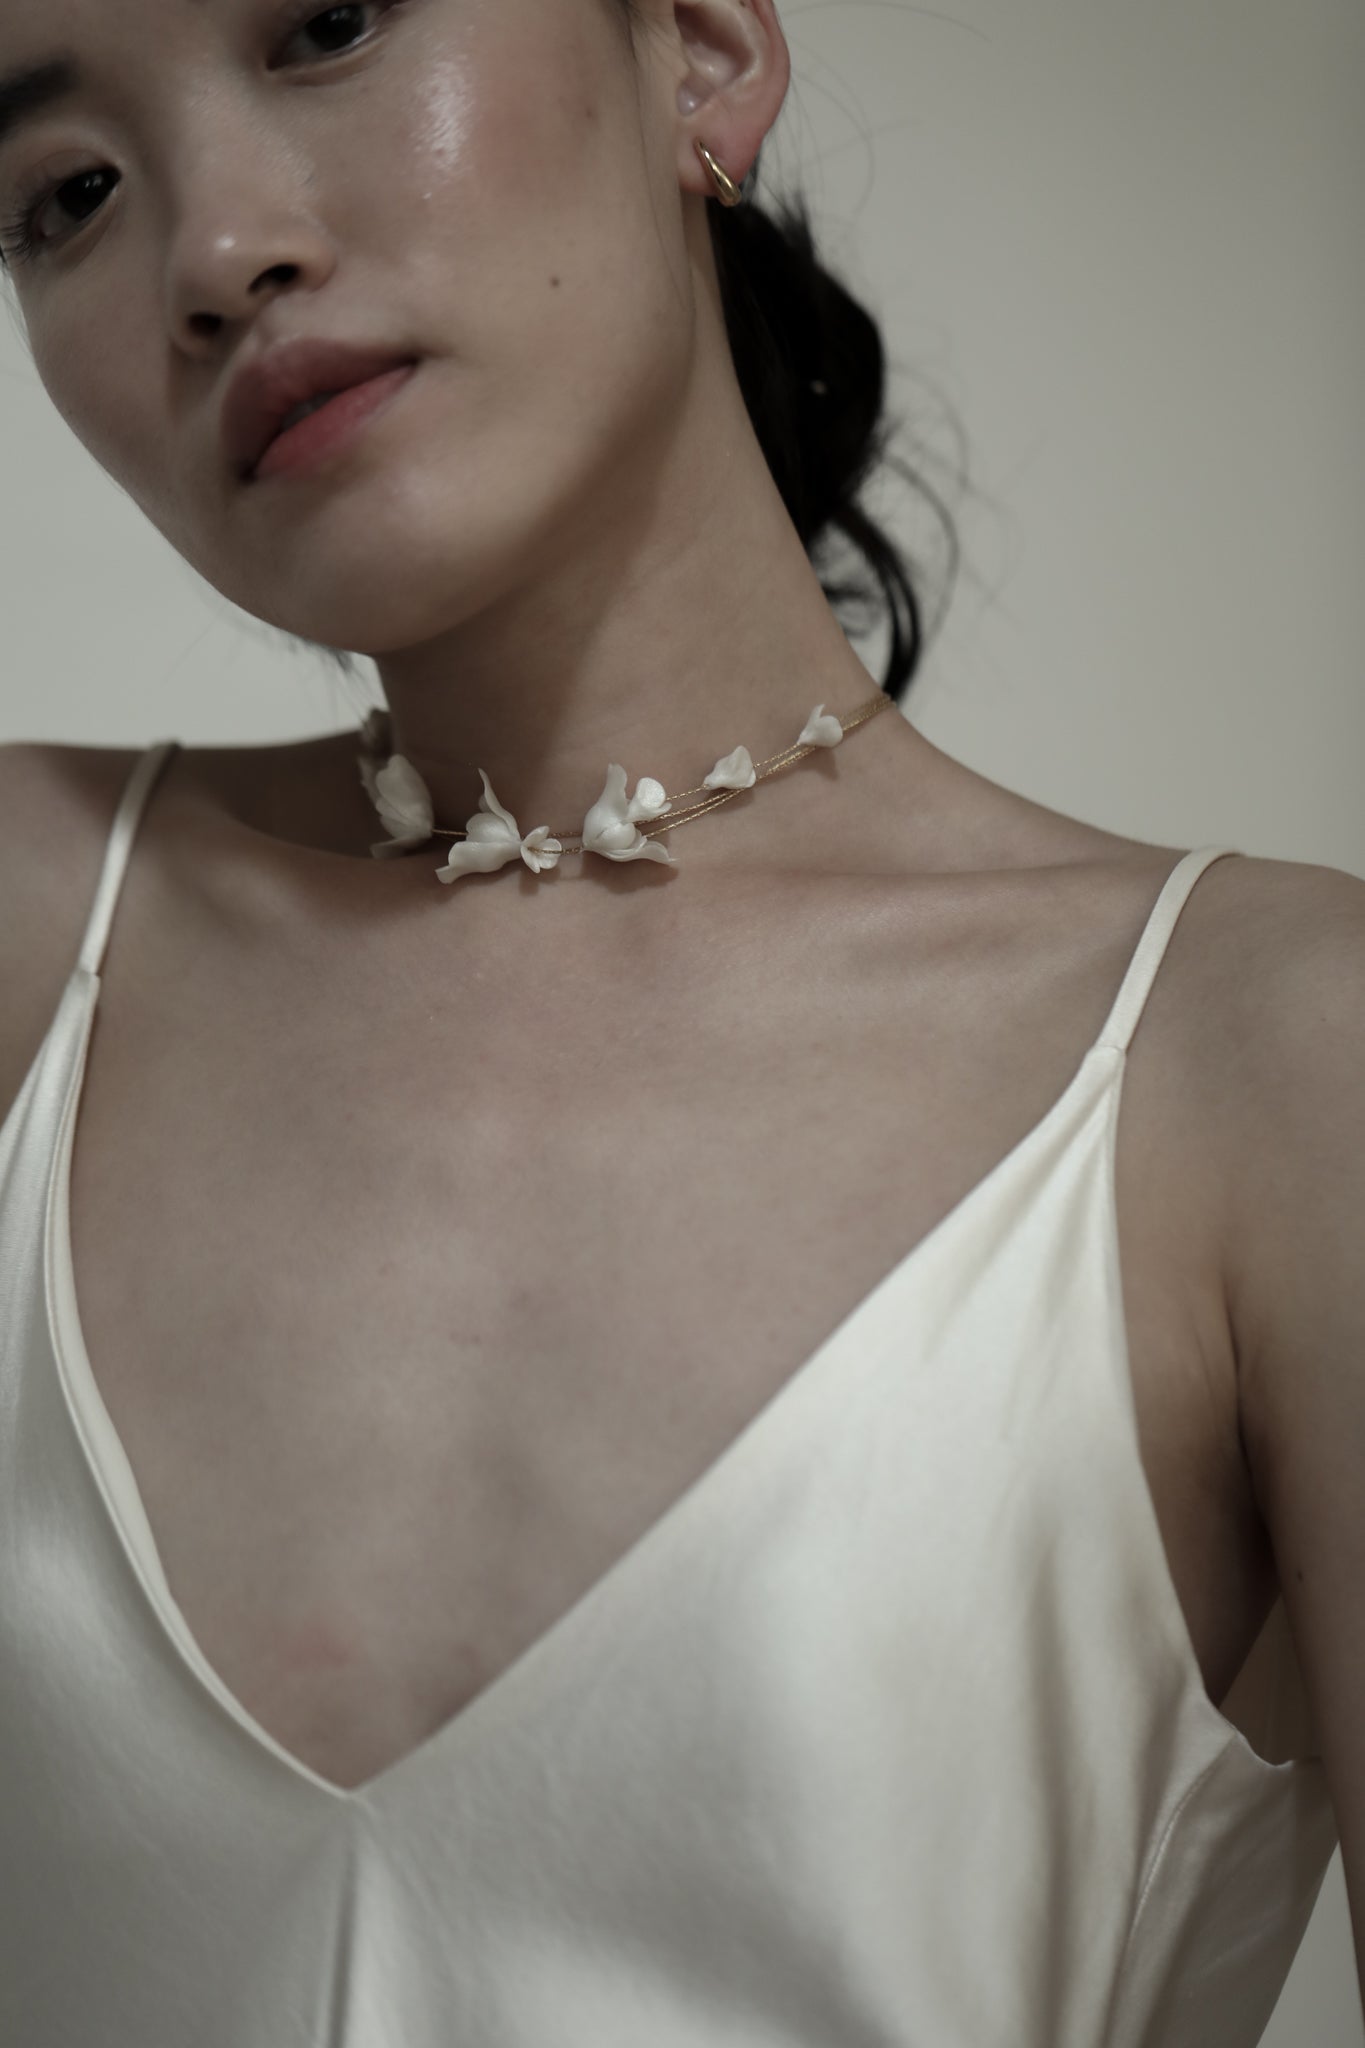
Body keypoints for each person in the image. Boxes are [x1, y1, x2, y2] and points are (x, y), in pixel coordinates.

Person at [0, 0, 1360, 2041]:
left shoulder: (1267, 1076)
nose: (213, 255)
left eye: (329, 25)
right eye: (66, 195)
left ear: (704, 54)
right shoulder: (31, 948)